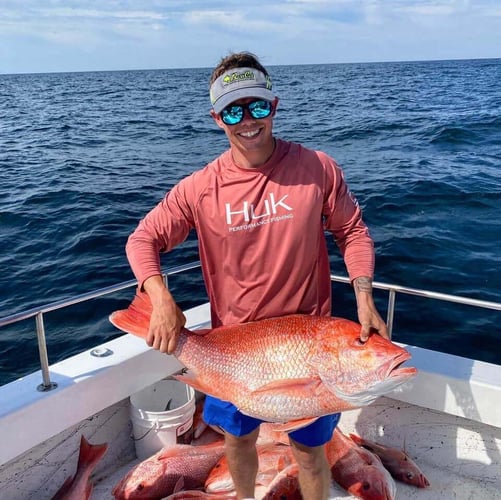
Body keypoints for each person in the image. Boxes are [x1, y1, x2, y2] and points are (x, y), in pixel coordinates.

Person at [126, 51, 389, 500]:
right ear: (216, 118)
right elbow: (142, 239)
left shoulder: (317, 168)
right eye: (232, 110)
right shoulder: (199, 187)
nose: (247, 120)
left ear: (275, 105)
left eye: (257, 106)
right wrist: (160, 297)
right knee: (238, 441)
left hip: (310, 348)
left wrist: (364, 297)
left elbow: (352, 231)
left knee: (311, 453)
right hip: (234, 350)